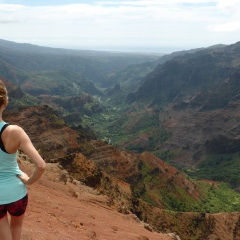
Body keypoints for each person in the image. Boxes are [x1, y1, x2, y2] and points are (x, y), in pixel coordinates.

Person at [0, 79, 46, 240]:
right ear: (5, 103)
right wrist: (29, 181)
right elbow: (41, 165)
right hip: (17, 194)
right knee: (17, 227)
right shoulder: (15, 132)